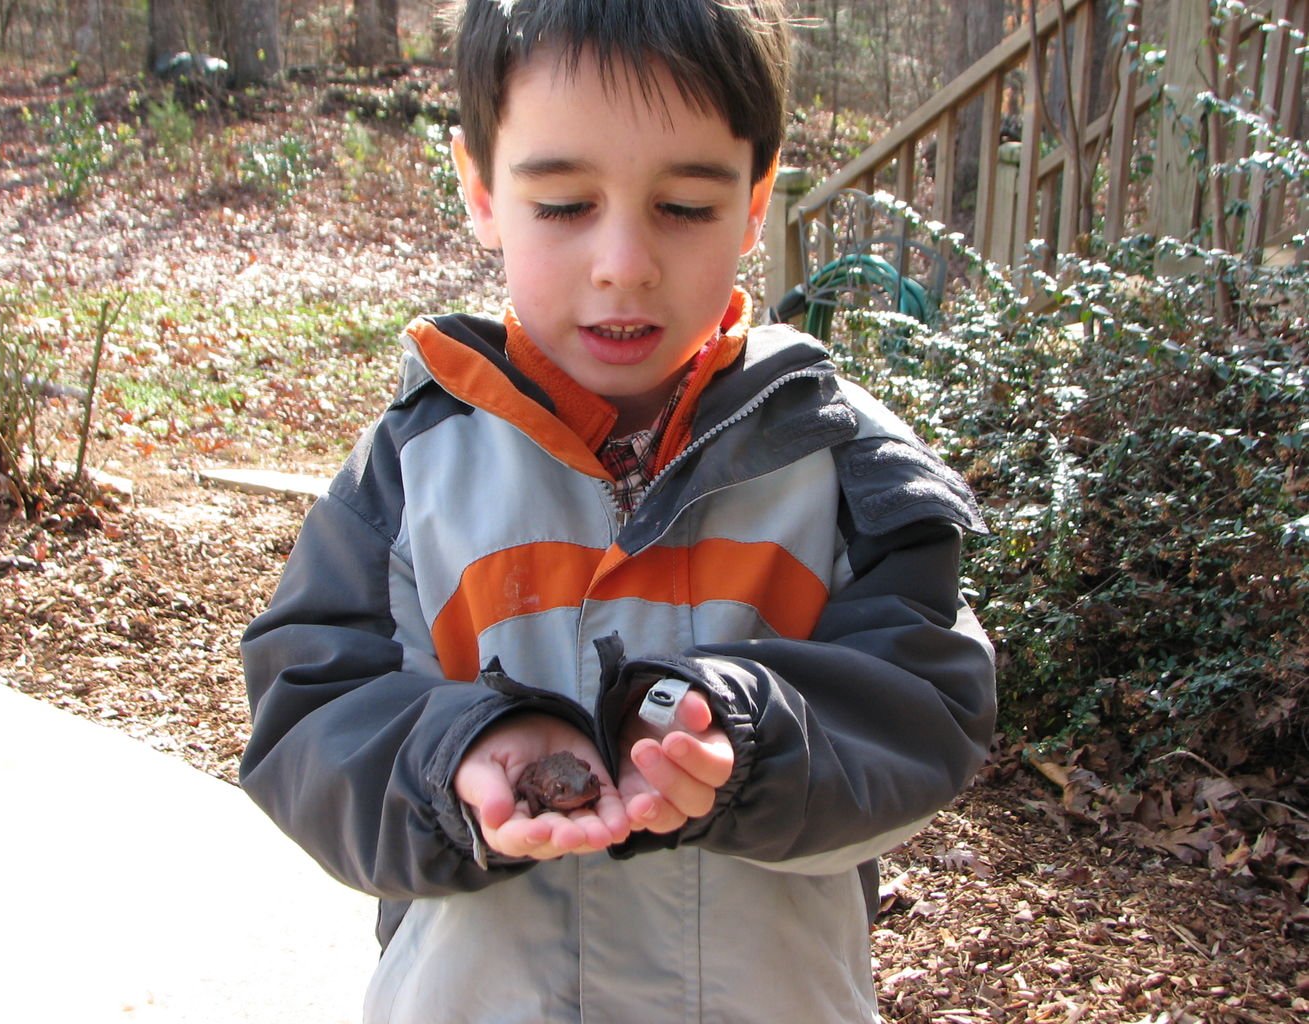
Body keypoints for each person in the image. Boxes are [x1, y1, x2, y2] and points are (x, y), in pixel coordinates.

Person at [239, 1, 996, 1020]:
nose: (624, 262)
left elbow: (927, 712)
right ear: (481, 189)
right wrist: (454, 757)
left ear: (757, 198)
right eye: (562, 204)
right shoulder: (413, 467)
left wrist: (747, 742)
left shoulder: (845, 466)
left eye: (684, 206)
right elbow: (308, 718)